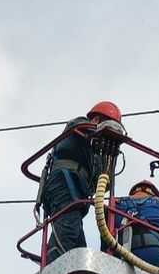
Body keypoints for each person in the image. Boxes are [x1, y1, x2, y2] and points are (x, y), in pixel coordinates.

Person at [43, 101, 123, 262]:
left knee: (79, 247)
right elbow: (85, 129)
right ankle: (53, 265)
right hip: (64, 182)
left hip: (74, 189)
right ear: (96, 119)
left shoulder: (91, 154)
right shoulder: (79, 125)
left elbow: (101, 182)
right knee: (68, 225)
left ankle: (71, 268)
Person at [114, 179, 159, 268]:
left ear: (133, 192)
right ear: (153, 193)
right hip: (153, 253)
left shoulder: (116, 204)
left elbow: (105, 237)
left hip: (119, 253)